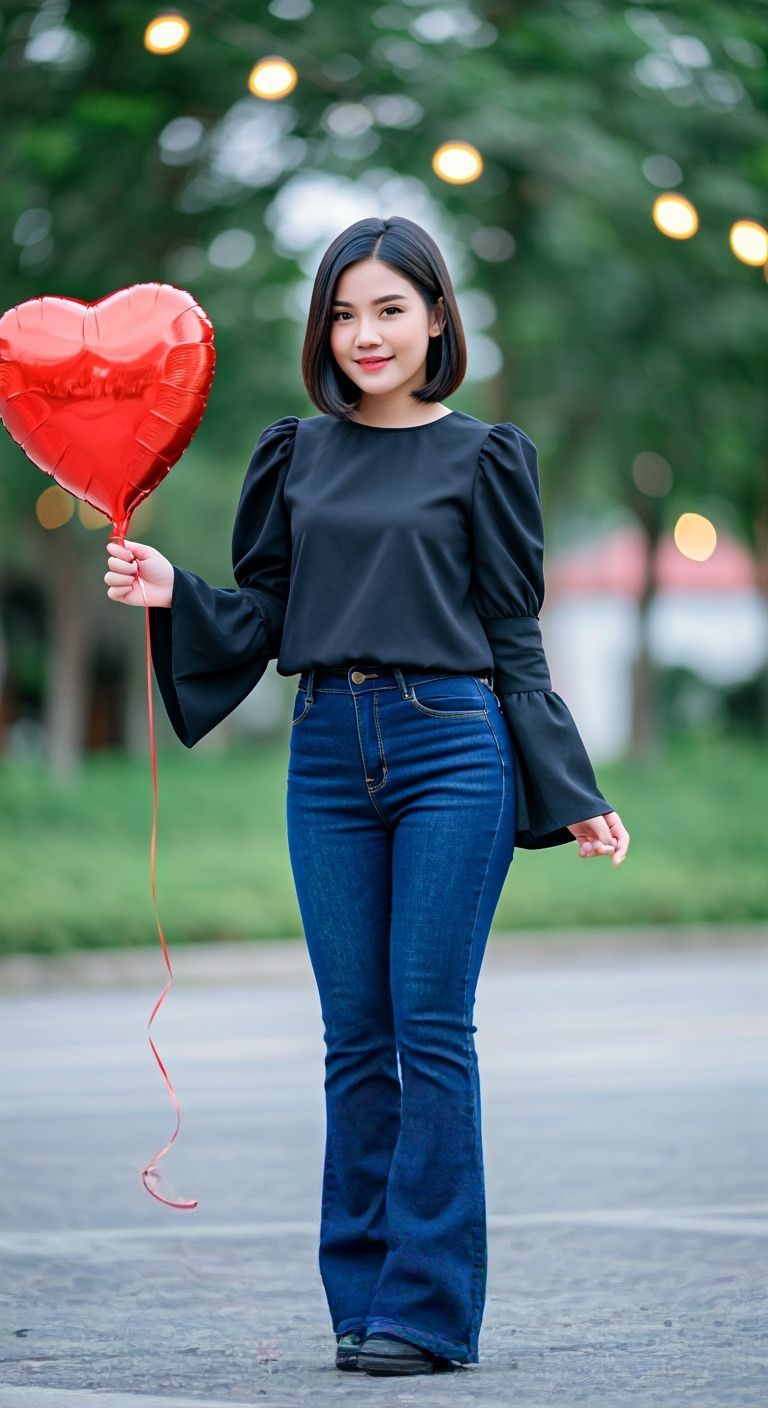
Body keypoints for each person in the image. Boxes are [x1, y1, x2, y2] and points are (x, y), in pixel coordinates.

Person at [105, 215, 630, 1377]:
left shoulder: (486, 456)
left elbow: (512, 636)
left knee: (430, 1030)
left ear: (438, 316)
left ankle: (429, 1310)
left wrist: (571, 782)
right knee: (355, 1039)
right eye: (344, 313)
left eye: (390, 308)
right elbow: (262, 614)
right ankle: (362, 1297)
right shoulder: (294, 453)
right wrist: (167, 587)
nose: (365, 334)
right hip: (328, 749)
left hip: (456, 744)